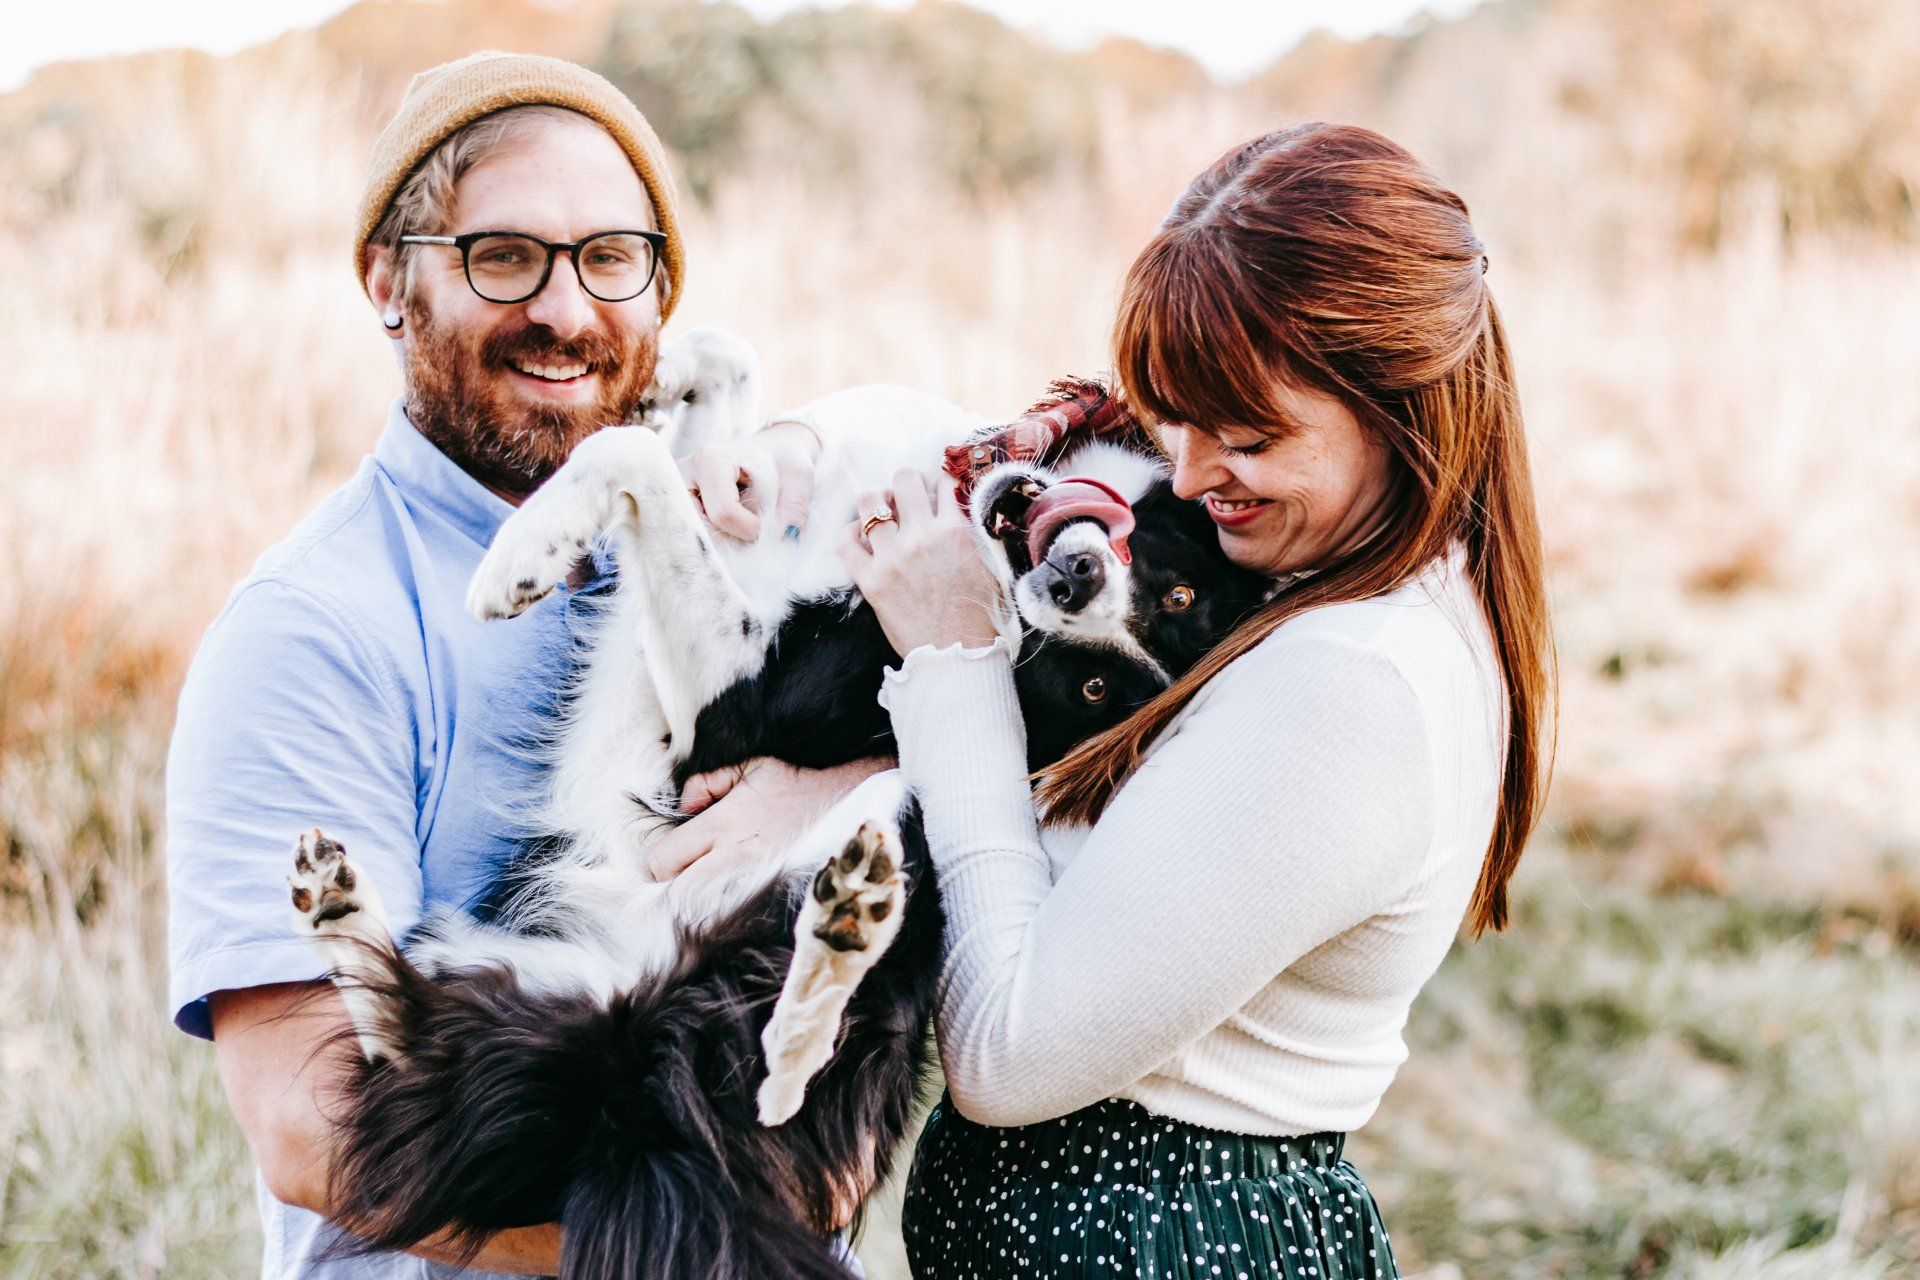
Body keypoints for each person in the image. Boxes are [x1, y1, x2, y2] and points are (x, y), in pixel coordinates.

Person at [669, 122, 1553, 1278]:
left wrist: (953, 657)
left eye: (1246, 435)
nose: (1187, 472)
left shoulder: (1357, 683)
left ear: (1399, 405)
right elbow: (978, 455)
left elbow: (1008, 1053)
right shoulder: (1313, 556)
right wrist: (799, 445)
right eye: (1176, 417)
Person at [163, 52, 849, 1278]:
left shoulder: (725, 549)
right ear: (389, 279)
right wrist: (718, 1238)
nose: (567, 311)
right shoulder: (313, 630)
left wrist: (825, 798)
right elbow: (311, 1126)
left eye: (610, 257)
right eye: (505, 256)